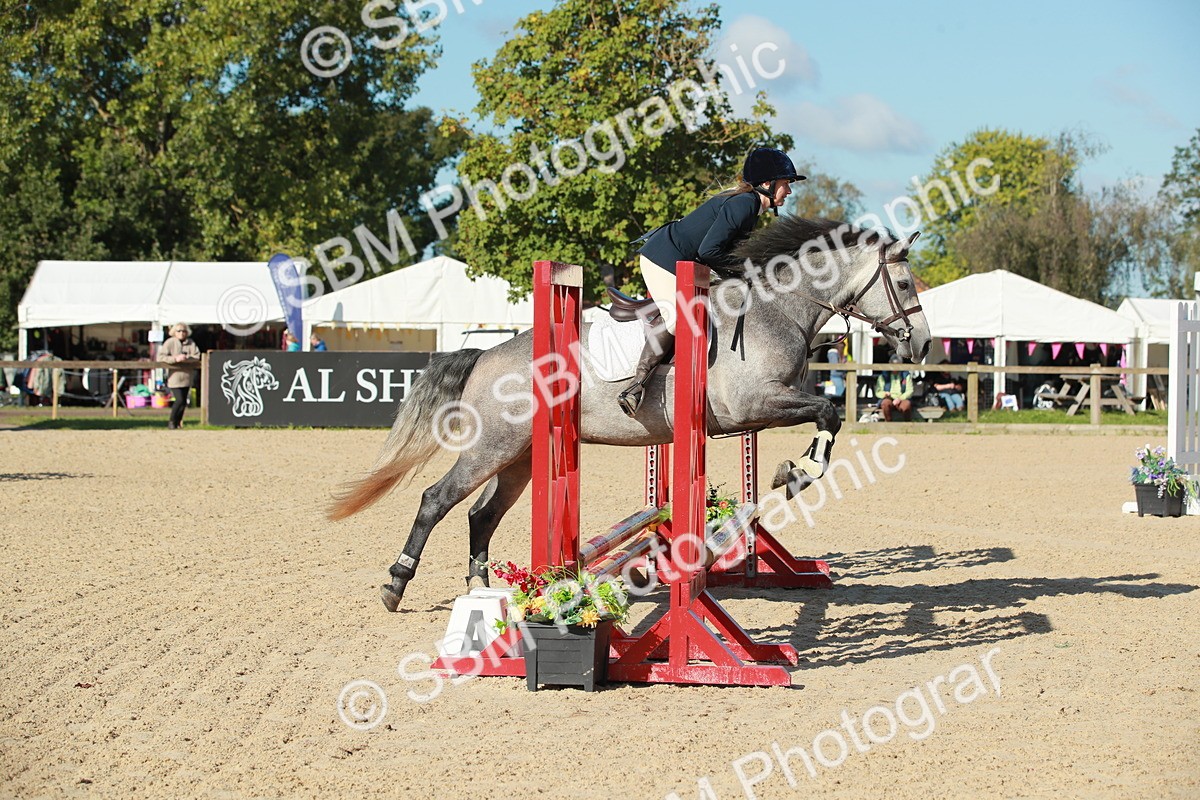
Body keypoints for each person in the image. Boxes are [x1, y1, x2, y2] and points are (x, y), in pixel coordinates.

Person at [617, 146, 805, 416]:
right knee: (677, 318)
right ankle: (636, 386)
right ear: (767, 183)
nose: (788, 191)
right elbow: (709, 251)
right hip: (663, 258)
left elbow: (722, 254)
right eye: (786, 184)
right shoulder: (744, 205)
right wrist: (744, 274)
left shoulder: (750, 208)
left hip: (687, 264)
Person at [157, 322, 201, 429]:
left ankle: (178, 422)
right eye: (179, 331)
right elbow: (161, 357)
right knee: (179, 399)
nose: (181, 333)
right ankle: (172, 421)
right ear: (174, 332)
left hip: (187, 376)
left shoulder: (191, 343)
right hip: (174, 377)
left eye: (184, 331)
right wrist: (175, 359)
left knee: (184, 401)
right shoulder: (169, 342)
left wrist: (187, 358)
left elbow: (197, 356)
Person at [875, 356, 914, 421]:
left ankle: (907, 426)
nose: (895, 368)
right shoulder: (883, 376)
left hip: (902, 398)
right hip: (889, 398)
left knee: (907, 405)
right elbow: (878, 392)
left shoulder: (906, 375)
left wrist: (900, 398)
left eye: (897, 365)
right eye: (893, 365)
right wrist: (885, 394)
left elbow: (910, 391)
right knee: (885, 403)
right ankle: (889, 423)